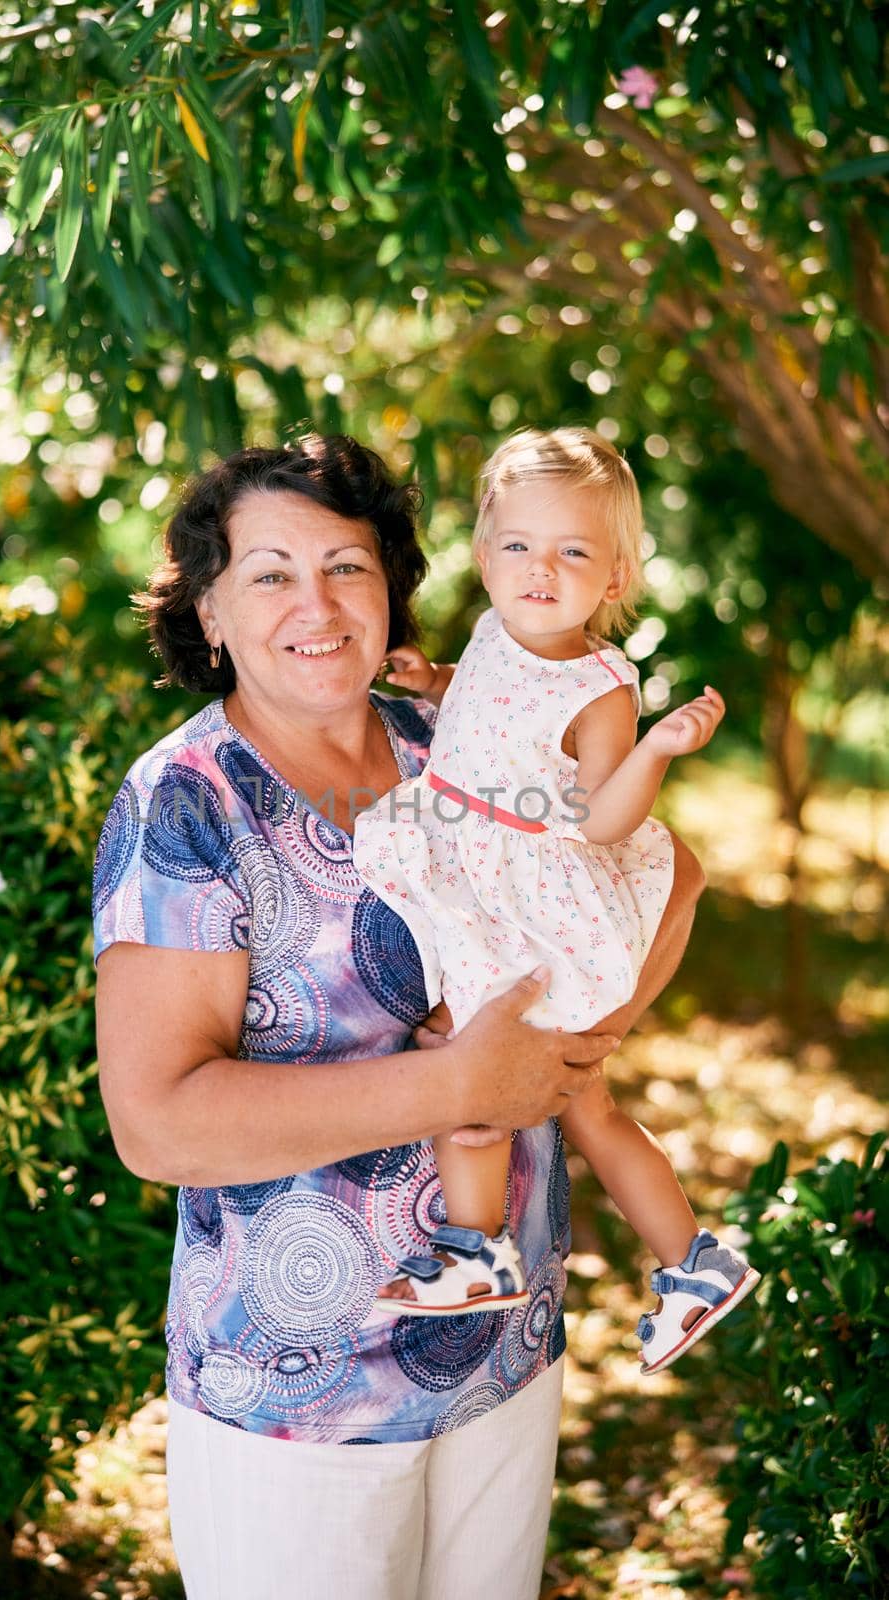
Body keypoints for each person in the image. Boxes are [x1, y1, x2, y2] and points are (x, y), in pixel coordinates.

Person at [92, 434, 706, 1600]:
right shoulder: (183, 801)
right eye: (269, 572)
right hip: (296, 1402)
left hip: (503, 1359)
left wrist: (575, 1042)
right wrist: (464, 1086)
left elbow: (667, 882)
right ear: (209, 609)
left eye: (348, 566)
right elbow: (158, 1125)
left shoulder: (457, 742)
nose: (314, 603)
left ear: (393, 588)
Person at [353, 427, 759, 1372]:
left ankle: (474, 1245)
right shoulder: (496, 628)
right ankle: (692, 1262)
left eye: (573, 552)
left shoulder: (600, 688)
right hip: (474, 852)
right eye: (518, 546)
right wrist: (434, 680)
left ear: (613, 579)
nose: (541, 569)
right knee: (586, 1105)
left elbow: (605, 819)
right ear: (485, 552)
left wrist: (654, 751)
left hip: (533, 887)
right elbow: (496, 704)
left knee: (466, 1047)